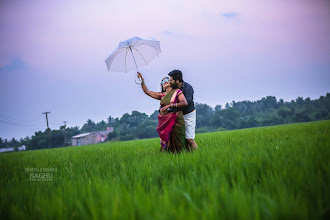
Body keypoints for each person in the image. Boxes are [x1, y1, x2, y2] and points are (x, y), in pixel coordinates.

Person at [137, 72, 191, 153]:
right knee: (168, 142)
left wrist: (170, 105)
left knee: (179, 142)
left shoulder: (177, 91)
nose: (164, 81)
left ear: (171, 82)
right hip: (165, 121)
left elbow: (184, 103)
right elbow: (147, 92)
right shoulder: (161, 95)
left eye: (167, 80)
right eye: (162, 81)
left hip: (177, 119)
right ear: (162, 86)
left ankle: (183, 156)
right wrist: (142, 80)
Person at [168, 70, 198, 150]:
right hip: (178, 116)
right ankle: (189, 155)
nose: (169, 82)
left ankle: (199, 154)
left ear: (177, 81)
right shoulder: (172, 89)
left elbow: (185, 104)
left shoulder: (188, 88)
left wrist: (172, 106)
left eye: (171, 80)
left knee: (189, 139)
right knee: (182, 140)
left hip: (188, 114)